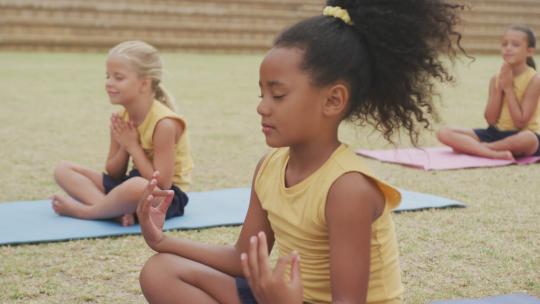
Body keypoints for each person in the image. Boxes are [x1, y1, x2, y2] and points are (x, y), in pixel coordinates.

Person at [136, 1, 463, 303]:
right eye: (262, 93)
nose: (262, 107)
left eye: (278, 95)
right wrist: (162, 240)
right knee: (160, 271)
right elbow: (242, 259)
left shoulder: (347, 188)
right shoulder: (270, 167)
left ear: (333, 100)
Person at [51, 40, 193, 226]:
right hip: (132, 184)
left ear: (144, 84)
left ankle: (88, 211)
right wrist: (125, 146)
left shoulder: (164, 123)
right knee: (63, 169)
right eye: (107, 76)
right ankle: (114, 212)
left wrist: (133, 146)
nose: (109, 83)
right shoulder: (122, 118)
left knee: (136, 186)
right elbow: (114, 172)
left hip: (166, 197)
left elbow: (162, 184)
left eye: (118, 77)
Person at [437, 25, 540, 159]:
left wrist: (508, 89)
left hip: (522, 134)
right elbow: (491, 119)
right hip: (494, 133)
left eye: (515, 45)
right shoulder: (496, 79)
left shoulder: (535, 79)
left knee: (527, 139)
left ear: (529, 51)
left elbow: (520, 123)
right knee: (444, 132)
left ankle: (482, 148)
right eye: (504, 44)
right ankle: (493, 153)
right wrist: (500, 88)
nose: (508, 48)